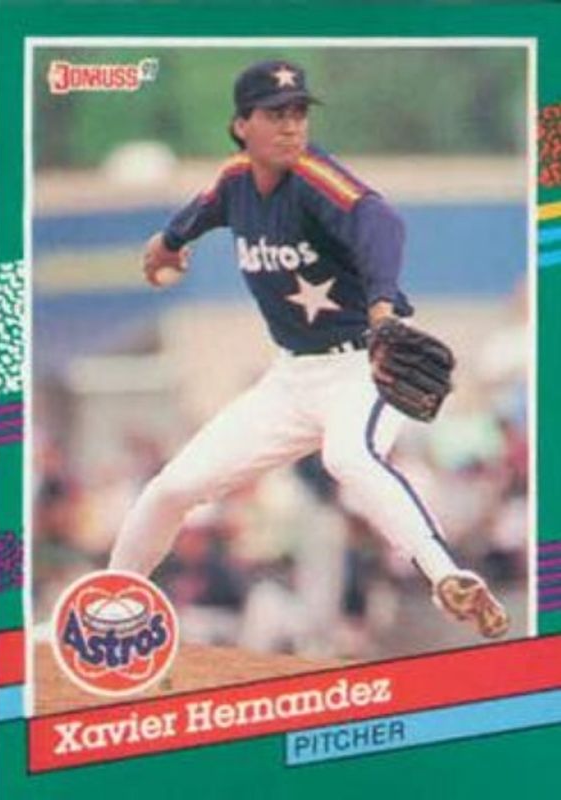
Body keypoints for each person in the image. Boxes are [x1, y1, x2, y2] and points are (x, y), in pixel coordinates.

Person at [109, 59, 509, 640]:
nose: (291, 124)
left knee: (349, 457)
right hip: (290, 380)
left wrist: (381, 310)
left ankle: (448, 576)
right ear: (241, 125)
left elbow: (381, 221)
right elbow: (200, 211)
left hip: (363, 364)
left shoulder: (315, 180)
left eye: (298, 112)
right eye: (275, 114)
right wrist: (169, 243)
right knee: (170, 489)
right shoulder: (235, 182)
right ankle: (105, 610)